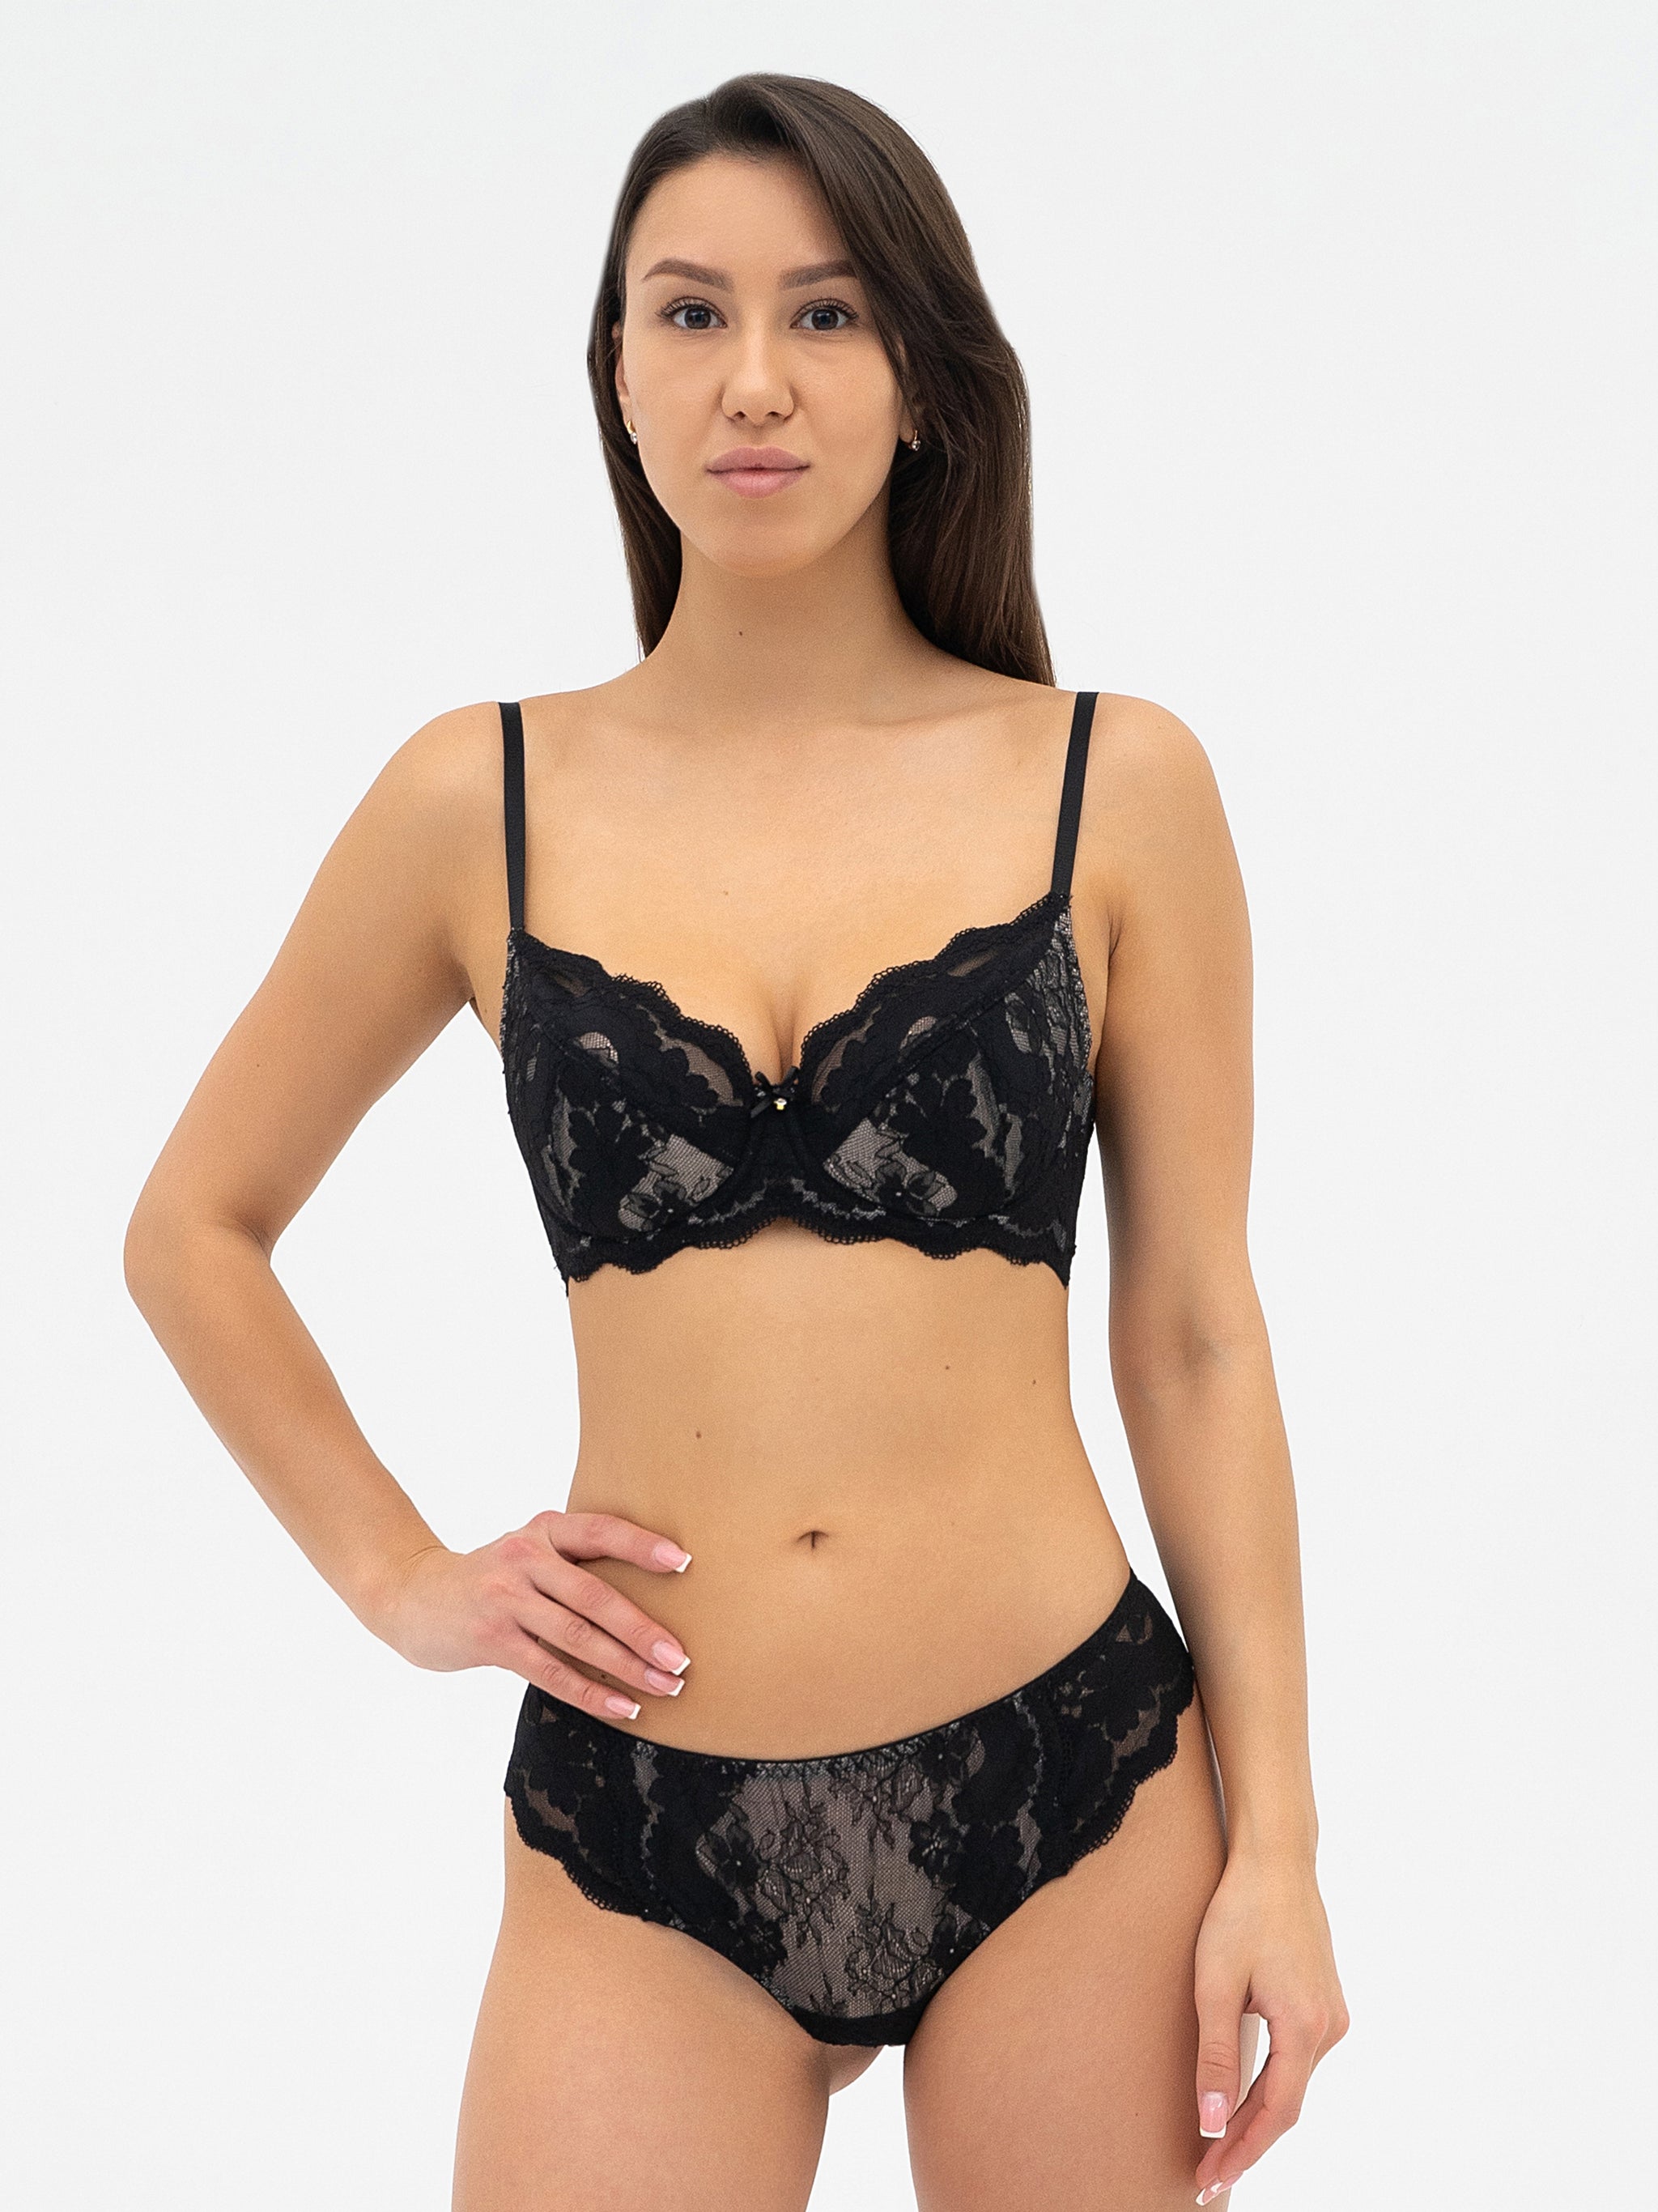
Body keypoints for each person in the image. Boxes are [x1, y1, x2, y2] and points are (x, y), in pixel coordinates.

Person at [125, 71, 1346, 2212]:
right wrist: (401, 1578)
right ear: (615, 367)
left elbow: (1194, 1337)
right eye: (689, 312)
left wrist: (1285, 1848)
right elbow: (194, 1228)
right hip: (638, 1818)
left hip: (1071, 1779)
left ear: (923, 377)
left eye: (828, 313)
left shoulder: (1115, 786)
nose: (754, 378)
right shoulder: (477, 800)